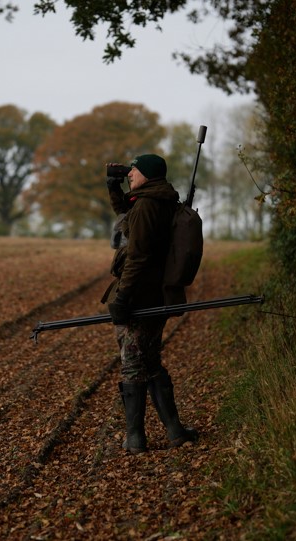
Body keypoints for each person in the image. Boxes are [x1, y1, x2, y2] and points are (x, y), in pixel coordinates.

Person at [101, 153, 198, 454]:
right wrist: (114, 188)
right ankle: (175, 431)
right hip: (157, 294)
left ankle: (135, 439)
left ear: (149, 174)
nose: (130, 173)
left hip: (141, 297)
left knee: (132, 364)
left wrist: (122, 297)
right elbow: (129, 222)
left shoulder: (146, 205)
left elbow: (138, 256)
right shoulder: (157, 199)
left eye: (135, 170)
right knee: (150, 360)